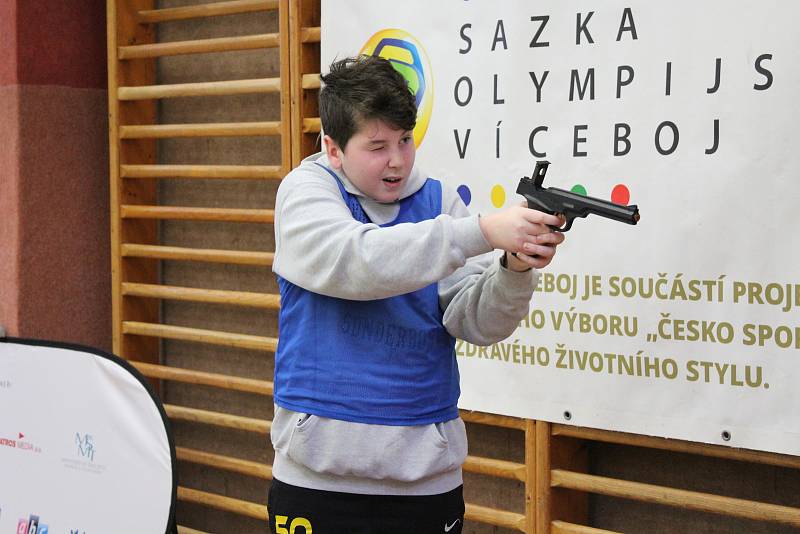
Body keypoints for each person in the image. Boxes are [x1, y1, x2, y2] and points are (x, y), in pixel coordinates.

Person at [268, 55, 565, 534]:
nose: (398, 160)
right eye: (378, 145)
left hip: (426, 482)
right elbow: (357, 263)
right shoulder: (305, 193)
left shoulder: (439, 203)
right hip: (318, 481)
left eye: (405, 140)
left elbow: (476, 322)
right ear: (333, 147)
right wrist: (484, 232)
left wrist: (513, 267)